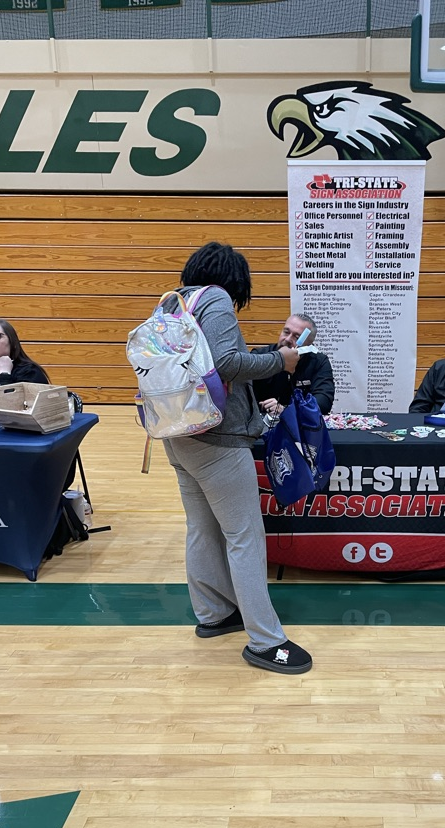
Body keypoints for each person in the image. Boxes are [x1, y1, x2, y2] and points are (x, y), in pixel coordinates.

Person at [162, 242, 312, 675]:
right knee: (246, 536)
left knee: (202, 529)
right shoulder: (217, 299)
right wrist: (277, 360)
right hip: (218, 437)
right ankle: (265, 641)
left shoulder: (175, 301)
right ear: (236, 281)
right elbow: (227, 362)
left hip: (178, 432)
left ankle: (214, 613)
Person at [251, 313, 335, 416]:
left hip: (301, 426)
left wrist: (289, 410)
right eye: (286, 332)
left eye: (296, 337)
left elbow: (324, 402)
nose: (287, 340)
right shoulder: (260, 356)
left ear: (309, 345)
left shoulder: (318, 362)